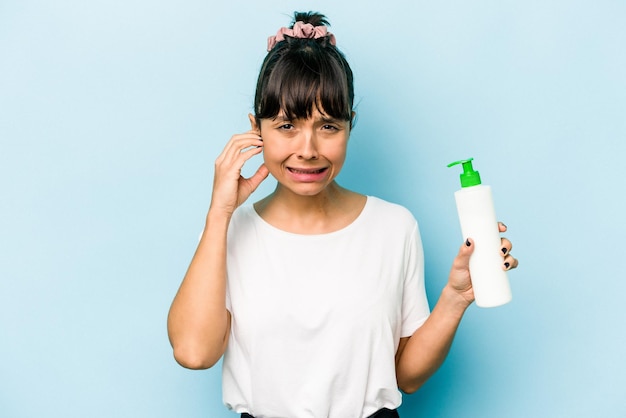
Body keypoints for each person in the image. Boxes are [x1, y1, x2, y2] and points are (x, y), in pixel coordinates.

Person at [167, 11, 518, 418]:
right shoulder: (227, 234)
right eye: (286, 126)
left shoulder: (394, 227)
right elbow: (194, 352)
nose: (308, 148)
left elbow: (406, 376)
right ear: (255, 128)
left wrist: (456, 297)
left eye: (328, 126)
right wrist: (219, 213)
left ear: (350, 126)